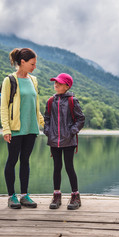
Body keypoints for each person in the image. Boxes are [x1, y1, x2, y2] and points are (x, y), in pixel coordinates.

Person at [0, 48, 44, 209]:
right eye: (32, 64)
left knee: (25, 161)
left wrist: (44, 123)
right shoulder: (9, 80)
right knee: (12, 160)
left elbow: (35, 105)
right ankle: (11, 196)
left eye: (35, 64)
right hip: (15, 128)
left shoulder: (34, 80)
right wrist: (6, 129)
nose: (34, 67)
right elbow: (4, 106)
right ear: (23, 63)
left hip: (31, 128)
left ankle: (24, 195)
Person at [44, 73, 85, 210]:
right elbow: (47, 119)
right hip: (54, 141)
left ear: (67, 86)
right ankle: (57, 195)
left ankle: (75, 196)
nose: (56, 85)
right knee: (57, 167)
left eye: (59, 83)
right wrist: (47, 131)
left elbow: (81, 119)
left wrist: (72, 131)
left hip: (69, 141)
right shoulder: (51, 101)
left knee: (69, 167)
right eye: (55, 82)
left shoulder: (73, 101)